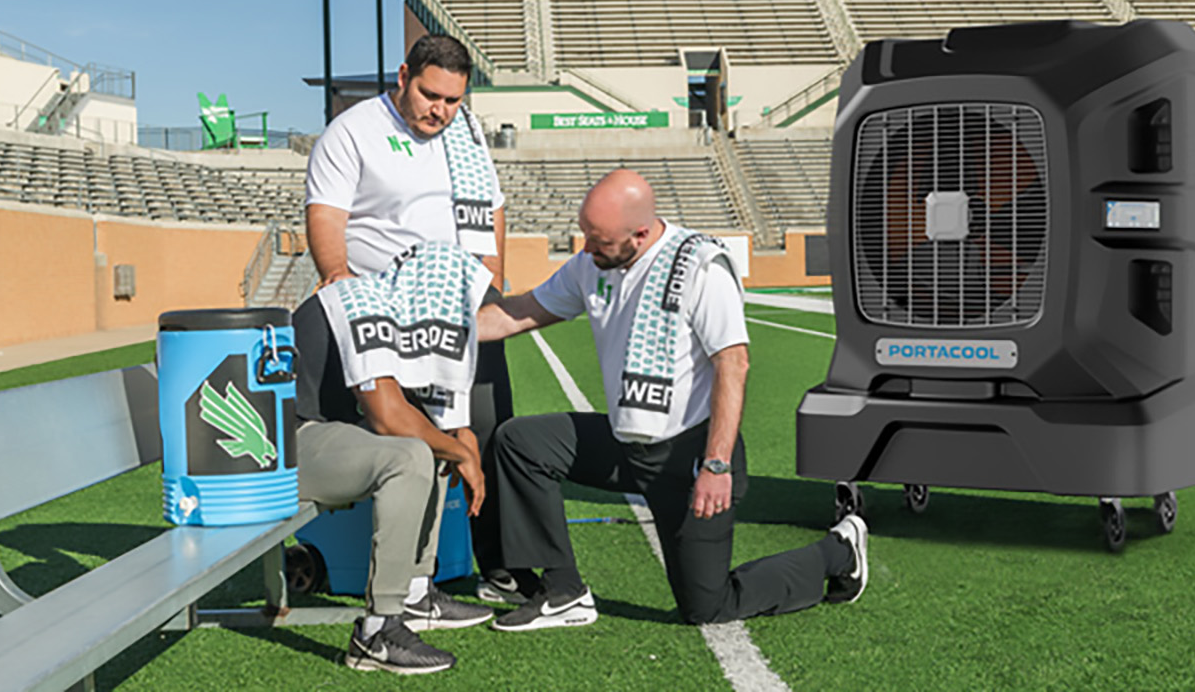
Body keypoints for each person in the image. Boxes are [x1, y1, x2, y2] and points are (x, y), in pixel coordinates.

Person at [475, 169, 869, 630]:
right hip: (627, 444)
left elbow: (733, 364)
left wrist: (716, 466)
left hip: (690, 459)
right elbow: (521, 313)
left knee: (707, 607)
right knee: (521, 442)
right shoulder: (592, 264)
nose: (586, 248)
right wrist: (442, 333)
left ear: (640, 234)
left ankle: (836, 551)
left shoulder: (701, 266)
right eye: (585, 235)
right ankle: (563, 591)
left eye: (598, 240)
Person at [297, 34, 514, 674]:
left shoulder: (467, 139)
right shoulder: (354, 130)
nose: (440, 110)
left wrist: (490, 278)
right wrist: (338, 273)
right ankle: (387, 609)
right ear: (402, 76)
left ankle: (419, 593)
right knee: (416, 443)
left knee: (458, 433)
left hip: (445, 309)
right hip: (376, 309)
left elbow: (492, 213)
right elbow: (327, 211)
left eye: (452, 99)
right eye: (429, 94)